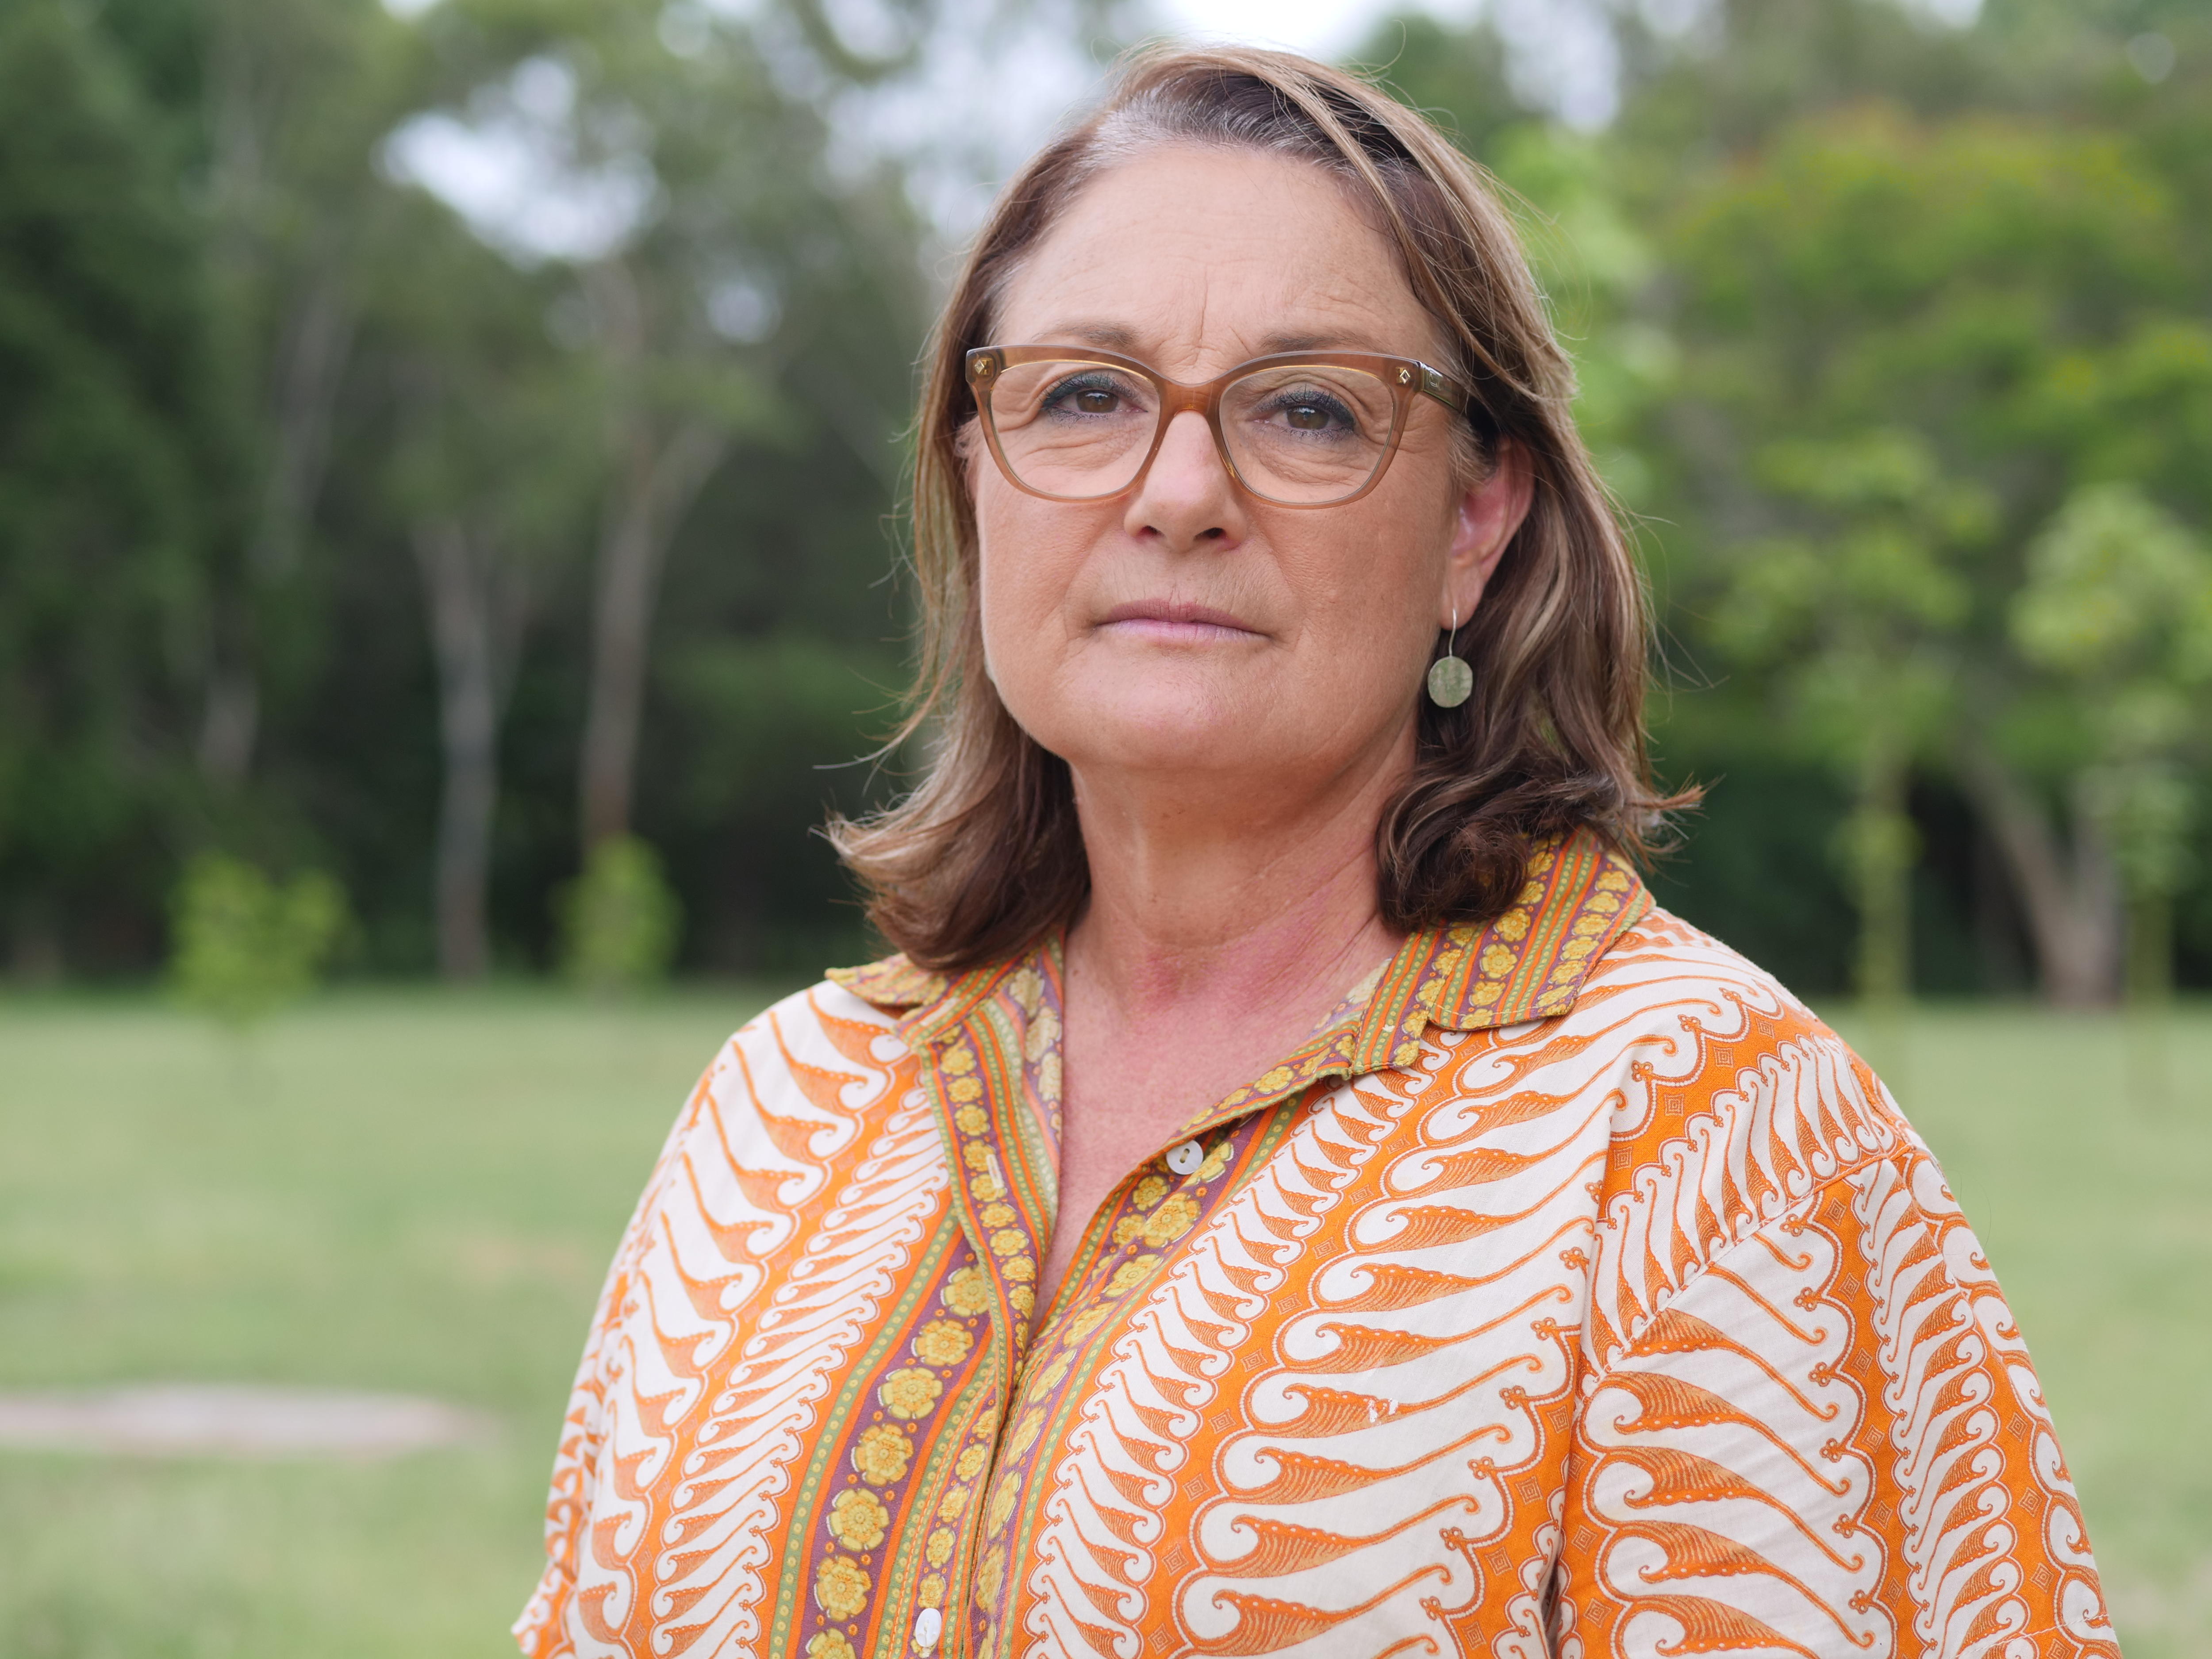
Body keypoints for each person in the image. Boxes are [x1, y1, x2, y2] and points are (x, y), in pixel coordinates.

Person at [516, 45, 2116, 1659]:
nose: (1180, 491)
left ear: (1478, 522)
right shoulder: (782, 1111)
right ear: (973, 472)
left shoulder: (1704, 1142)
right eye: (1083, 394)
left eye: (1308, 409)